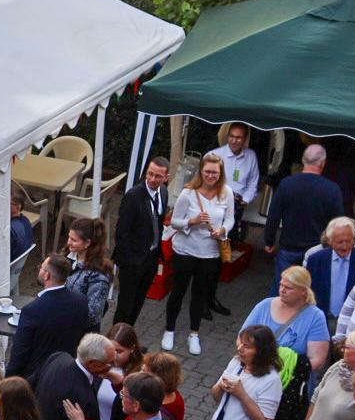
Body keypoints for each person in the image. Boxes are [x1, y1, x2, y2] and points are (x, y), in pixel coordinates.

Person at [162, 152, 233, 355]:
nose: (211, 176)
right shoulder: (188, 193)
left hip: (209, 254)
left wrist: (222, 230)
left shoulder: (226, 193)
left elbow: (230, 219)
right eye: (207, 171)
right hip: (185, 251)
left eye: (215, 172)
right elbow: (175, 222)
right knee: (178, 291)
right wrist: (192, 221)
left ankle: (194, 334)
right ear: (201, 171)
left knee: (200, 295)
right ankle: (169, 330)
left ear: (220, 174)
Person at [263, 145, 344, 297]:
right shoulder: (333, 190)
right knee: (310, 293)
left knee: (282, 290)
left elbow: (273, 216)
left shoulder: (286, 184)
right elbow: (338, 224)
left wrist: (269, 241)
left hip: (288, 249)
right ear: (323, 163)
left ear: (302, 160)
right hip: (317, 250)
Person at [6, 252, 90, 381]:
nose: (39, 270)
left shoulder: (32, 310)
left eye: (41, 267)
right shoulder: (81, 301)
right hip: (67, 372)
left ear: (47, 275)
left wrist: (9, 379)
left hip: (37, 377)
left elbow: (20, 352)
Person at [241, 264, 331, 381]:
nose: (282, 290)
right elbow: (241, 337)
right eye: (281, 285)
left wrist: (287, 372)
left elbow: (317, 360)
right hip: (254, 372)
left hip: (288, 381)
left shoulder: (316, 317)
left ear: (303, 291)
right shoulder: (264, 305)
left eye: (288, 288)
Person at [111, 157, 171, 332]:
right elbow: (121, 233)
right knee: (125, 304)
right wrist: (131, 260)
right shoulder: (133, 196)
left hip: (151, 258)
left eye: (157, 176)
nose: (152, 179)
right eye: (149, 174)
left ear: (166, 178)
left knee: (138, 301)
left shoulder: (164, 192)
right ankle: (116, 337)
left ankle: (128, 335)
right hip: (132, 261)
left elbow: (158, 221)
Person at [215, 123, 262, 315]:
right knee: (213, 251)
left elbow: (253, 183)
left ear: (245, 139)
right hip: (217, 210)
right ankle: (208, 291)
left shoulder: (250, 156)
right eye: (232, 136)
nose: (234, 140)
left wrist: (245, 200)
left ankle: (213, 288)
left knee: (224, 251)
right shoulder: (216, 155)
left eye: (239, 137)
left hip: (236, 211)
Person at [299, 218, 355, 327]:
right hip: (320, 321)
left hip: (351, 322)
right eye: (340, 242)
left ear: (354, 239)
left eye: (348, 241)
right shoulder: (316, 260)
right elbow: (308, 291)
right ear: (329, 241)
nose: (344, 246)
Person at [64, 220, 115, 328]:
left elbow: (92, 316)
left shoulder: (99, 277)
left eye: (74, 240)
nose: (68, 242)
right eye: (69, 237)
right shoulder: (67, 255)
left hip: (79, 331)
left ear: (87, 243)